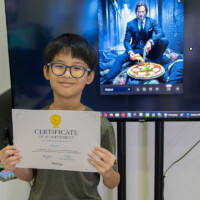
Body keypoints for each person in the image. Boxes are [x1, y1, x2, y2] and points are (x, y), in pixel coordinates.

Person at [0, 33, 120, 200]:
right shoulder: (33, 122)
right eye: (59, 66)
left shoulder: (100, 125)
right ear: (46, 71)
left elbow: (113, 182)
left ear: (90, 77)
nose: (67, 74)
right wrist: (12, 165)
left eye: (77, 68)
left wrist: (107, 171)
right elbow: (29, 175)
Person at [101, 1, 168, 84]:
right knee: (119, 58)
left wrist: (151, 41)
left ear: (146, 12)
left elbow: (161, 33)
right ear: (136, 12)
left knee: (164, 40)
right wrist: (130, 52)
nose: (141, 14)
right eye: (139, 12)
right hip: (135, 49)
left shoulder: (152, 21)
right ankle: (107, 79)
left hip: (149, 49)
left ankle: (156, 62)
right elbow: (126, 41)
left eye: (143, 12)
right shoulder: (130, 24)